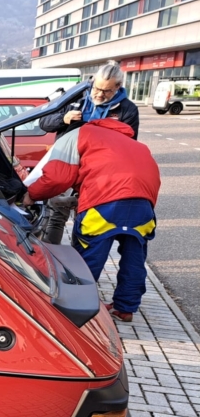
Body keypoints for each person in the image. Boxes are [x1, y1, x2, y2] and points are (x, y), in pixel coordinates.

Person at [23, 117, 160, 322]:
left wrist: (32, 195)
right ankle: (125, 308)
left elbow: (57, 177)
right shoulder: (134, 143)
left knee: (88, 257)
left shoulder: (76, 135)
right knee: (135, 258)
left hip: (104, 202)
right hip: (143, 205)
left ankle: (75, 306)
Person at [37, 61, 140, 245]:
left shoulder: (128, 109)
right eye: (97, 88)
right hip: (67, 164)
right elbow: (44, 122)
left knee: (86, 219)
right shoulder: (75, 97)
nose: (99, 94)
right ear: (92, 82)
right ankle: (51, 257)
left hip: (97, 173)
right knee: (56, 215)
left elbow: (129, 145)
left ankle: (79, 260)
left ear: (118, 87)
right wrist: (63, 118)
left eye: (106, 91)